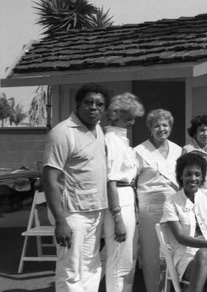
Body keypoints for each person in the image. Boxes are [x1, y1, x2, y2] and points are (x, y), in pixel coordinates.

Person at [43, 83, 110, 292]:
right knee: (70, 269)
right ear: (78, 104)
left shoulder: (98, 129)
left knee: (91, 266)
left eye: (99, 105)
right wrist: (60, 221)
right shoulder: (62, 133)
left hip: (95, 211)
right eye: (88, 103)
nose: (94, 108)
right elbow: (50, 179)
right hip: (71, 214)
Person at [161, 152, 207, 292]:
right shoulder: (171, 203)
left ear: (202, 177)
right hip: (186, 256)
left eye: (197, 174)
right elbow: (180, 237)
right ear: (181, 176)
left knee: (204, 254)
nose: (193, 178)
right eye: (188, 174)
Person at [134, 109, 183, 292]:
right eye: (157, 125)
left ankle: (172, 288)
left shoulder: (179, 150)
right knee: (152, 255)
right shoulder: (139, 151)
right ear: (150, 128)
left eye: (165, 125)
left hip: (173, 209)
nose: (161, 129)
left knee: (174, 251)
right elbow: (132, 182)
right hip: (149, 211)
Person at [103, 92, 144, 292]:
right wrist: (117, 217)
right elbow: (110, 181)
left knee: (128, 260)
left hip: (129, 199)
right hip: (119, 201)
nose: (133, 121)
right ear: (117, 114)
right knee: (118, 259)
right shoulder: (111, 139)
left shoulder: (122, 140)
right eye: (129, 116)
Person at [182, 114, 207, 193]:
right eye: (202, 130)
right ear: (195, 132)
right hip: (195, 195)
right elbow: (183, 178)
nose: (206, 134)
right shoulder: (188, 150)